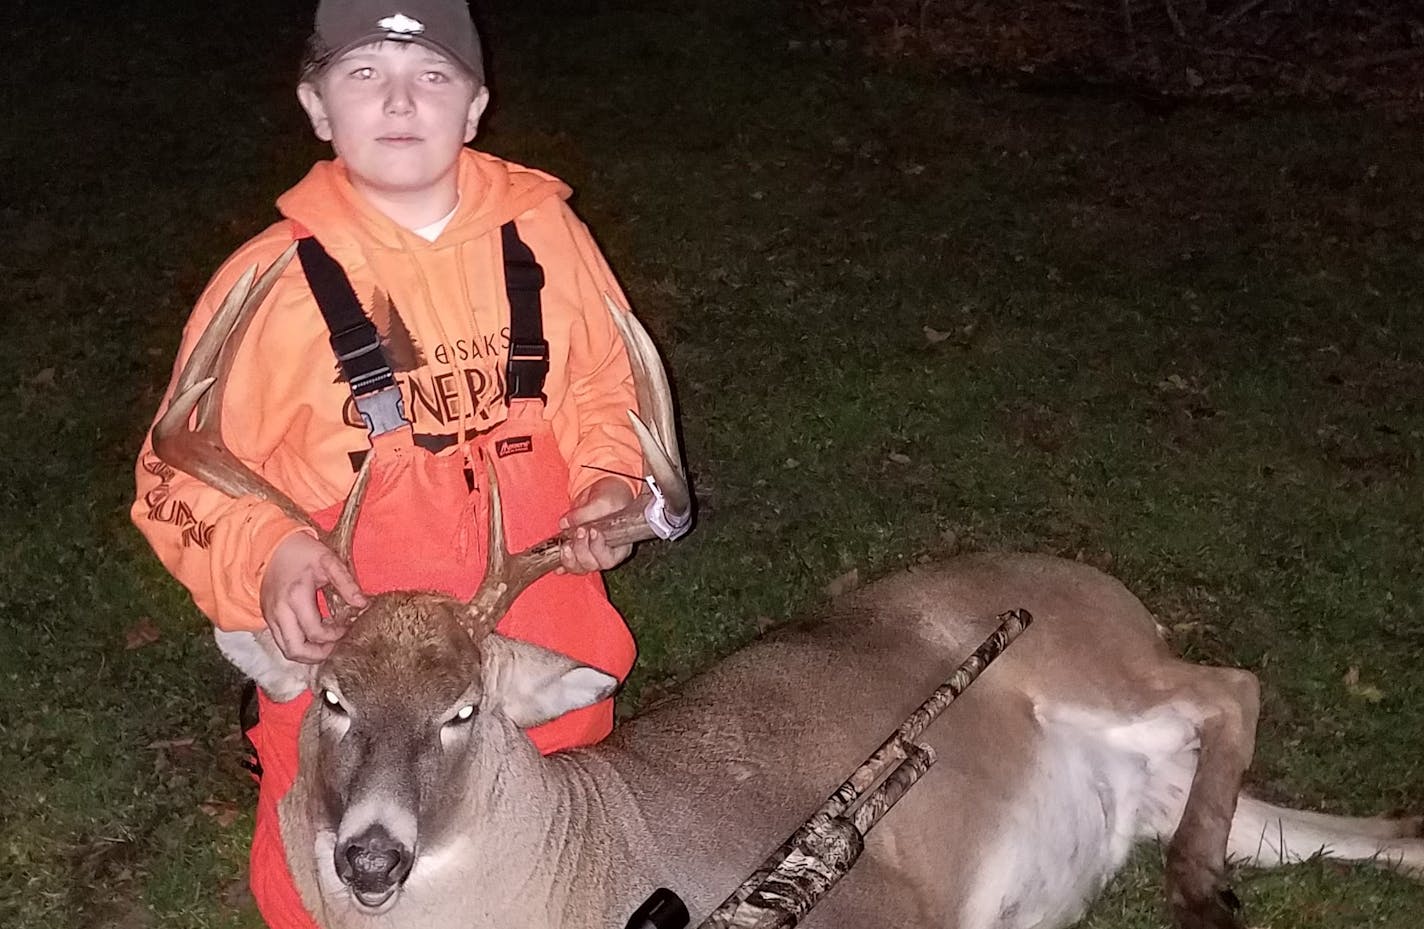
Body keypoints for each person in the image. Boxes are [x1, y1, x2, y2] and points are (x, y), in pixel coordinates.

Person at [131, 1, 647, 926]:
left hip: (523, 642)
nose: (401, 102)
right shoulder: (269, 286)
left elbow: (607, 387)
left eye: (432, 77)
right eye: (365, 75)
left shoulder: (544, 238)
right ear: (317, 106)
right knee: (326, 881)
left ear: (477, 106)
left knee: (561, 863)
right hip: (347, 664)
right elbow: (177, 475)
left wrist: (611, 474)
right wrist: (268, 554)